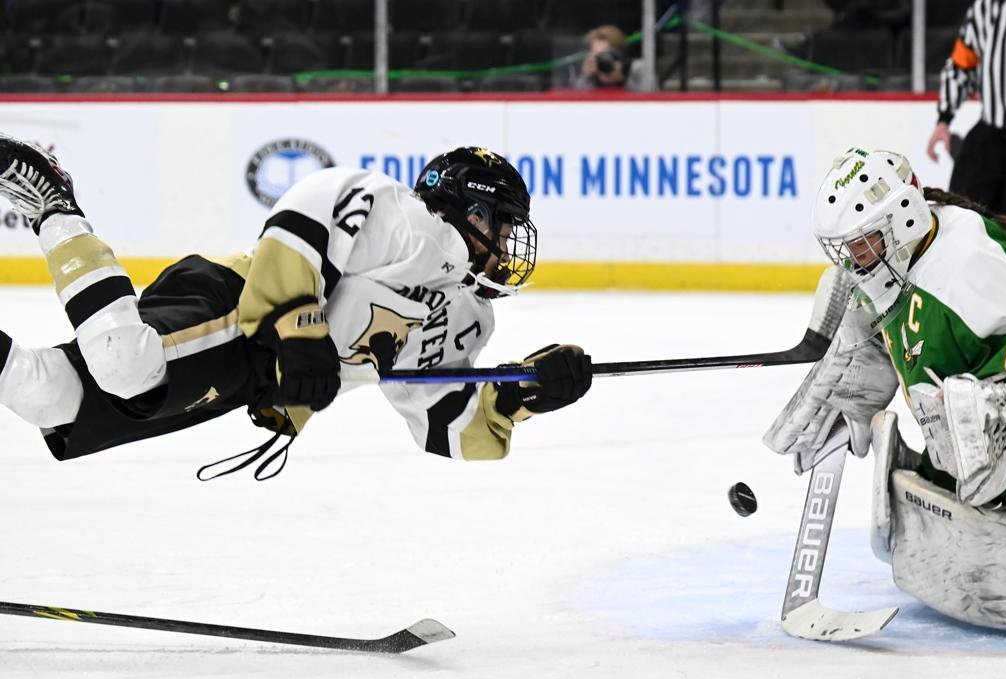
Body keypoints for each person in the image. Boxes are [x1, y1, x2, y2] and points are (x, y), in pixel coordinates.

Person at [0, 136, 593, 478]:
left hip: (250, 375)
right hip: (237, 307)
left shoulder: (465, 315)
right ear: (471, 212)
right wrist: (299, 325)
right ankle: (55, 205)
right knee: (125, 367)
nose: (508, 248)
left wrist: (528, 396)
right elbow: (312, 204)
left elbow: (448, 425)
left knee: (48, 395)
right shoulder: (413, 224)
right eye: (505, 224)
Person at [764, 147, 1006, 632]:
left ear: (900, 219)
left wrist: (999, 415)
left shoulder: (969, 268)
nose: (853, 262)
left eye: (860, 246)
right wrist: (863, 366)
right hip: (984, 481)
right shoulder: (911, 260)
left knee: (967, 415)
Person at [926, 0, 1006, 218]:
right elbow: (962, 63)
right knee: (960, 216)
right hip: (990, 133)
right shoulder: (988, 7)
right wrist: (944, 119)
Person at [577, 25, 635, 91]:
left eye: (606, 55)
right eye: (597, 56)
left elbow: (644, 95)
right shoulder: (591, 76)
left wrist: (621, 79)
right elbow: (577, 97)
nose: (603, 61)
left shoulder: (635, 69)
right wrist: (586, 77)